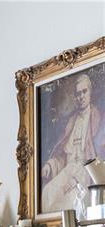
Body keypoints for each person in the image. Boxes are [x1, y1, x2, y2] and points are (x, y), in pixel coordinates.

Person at [42, 73, 105, 212]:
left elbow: (98, 159)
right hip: (67, 171)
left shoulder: (98, 117)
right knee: (47, 193)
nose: (81, 96)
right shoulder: (71, 121)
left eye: (84, 91)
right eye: (77, 94)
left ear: (90, 92)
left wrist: (76, 179)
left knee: (72, 202)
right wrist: (50, 165)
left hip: (85, 175)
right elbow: (64, 157)